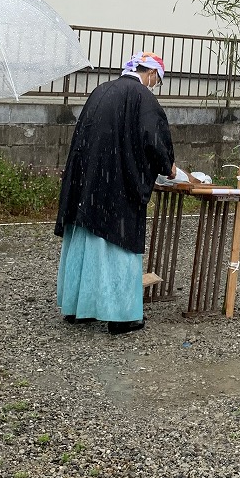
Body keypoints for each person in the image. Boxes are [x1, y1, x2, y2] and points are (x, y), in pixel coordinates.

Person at [55, 52, 176, 335]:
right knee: (116, 247)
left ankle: (78, 308)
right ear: (151, 74)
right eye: (157, 80)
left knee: (85, 245)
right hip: (117, 186)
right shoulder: (142, 97)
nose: (154, 85)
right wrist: (166, 164)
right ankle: (121, 315)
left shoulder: (101, 90)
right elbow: (154, 138)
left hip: (87, 184)